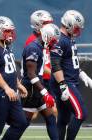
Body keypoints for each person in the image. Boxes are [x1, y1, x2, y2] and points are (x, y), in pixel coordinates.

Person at [50, 10, 88, 140]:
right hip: (66, 83)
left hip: (70, 81)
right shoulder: (60, 39)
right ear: (69, 24)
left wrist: (82, 74)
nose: (78, 31)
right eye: (76, 27)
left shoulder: (69, 38)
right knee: (81, 114)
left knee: (63, 119)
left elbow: (71, 62)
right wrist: (62, 85)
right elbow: (55, 64)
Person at [21, 23, 60, 140]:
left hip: (38, 88)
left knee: (51, 118)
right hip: (31, 90)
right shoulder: (33, 48)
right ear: (46, 36)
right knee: (22, 124)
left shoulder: (41, 47)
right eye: (53, 41)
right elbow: (31, 74)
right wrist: (45, 92)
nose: (54, 43)